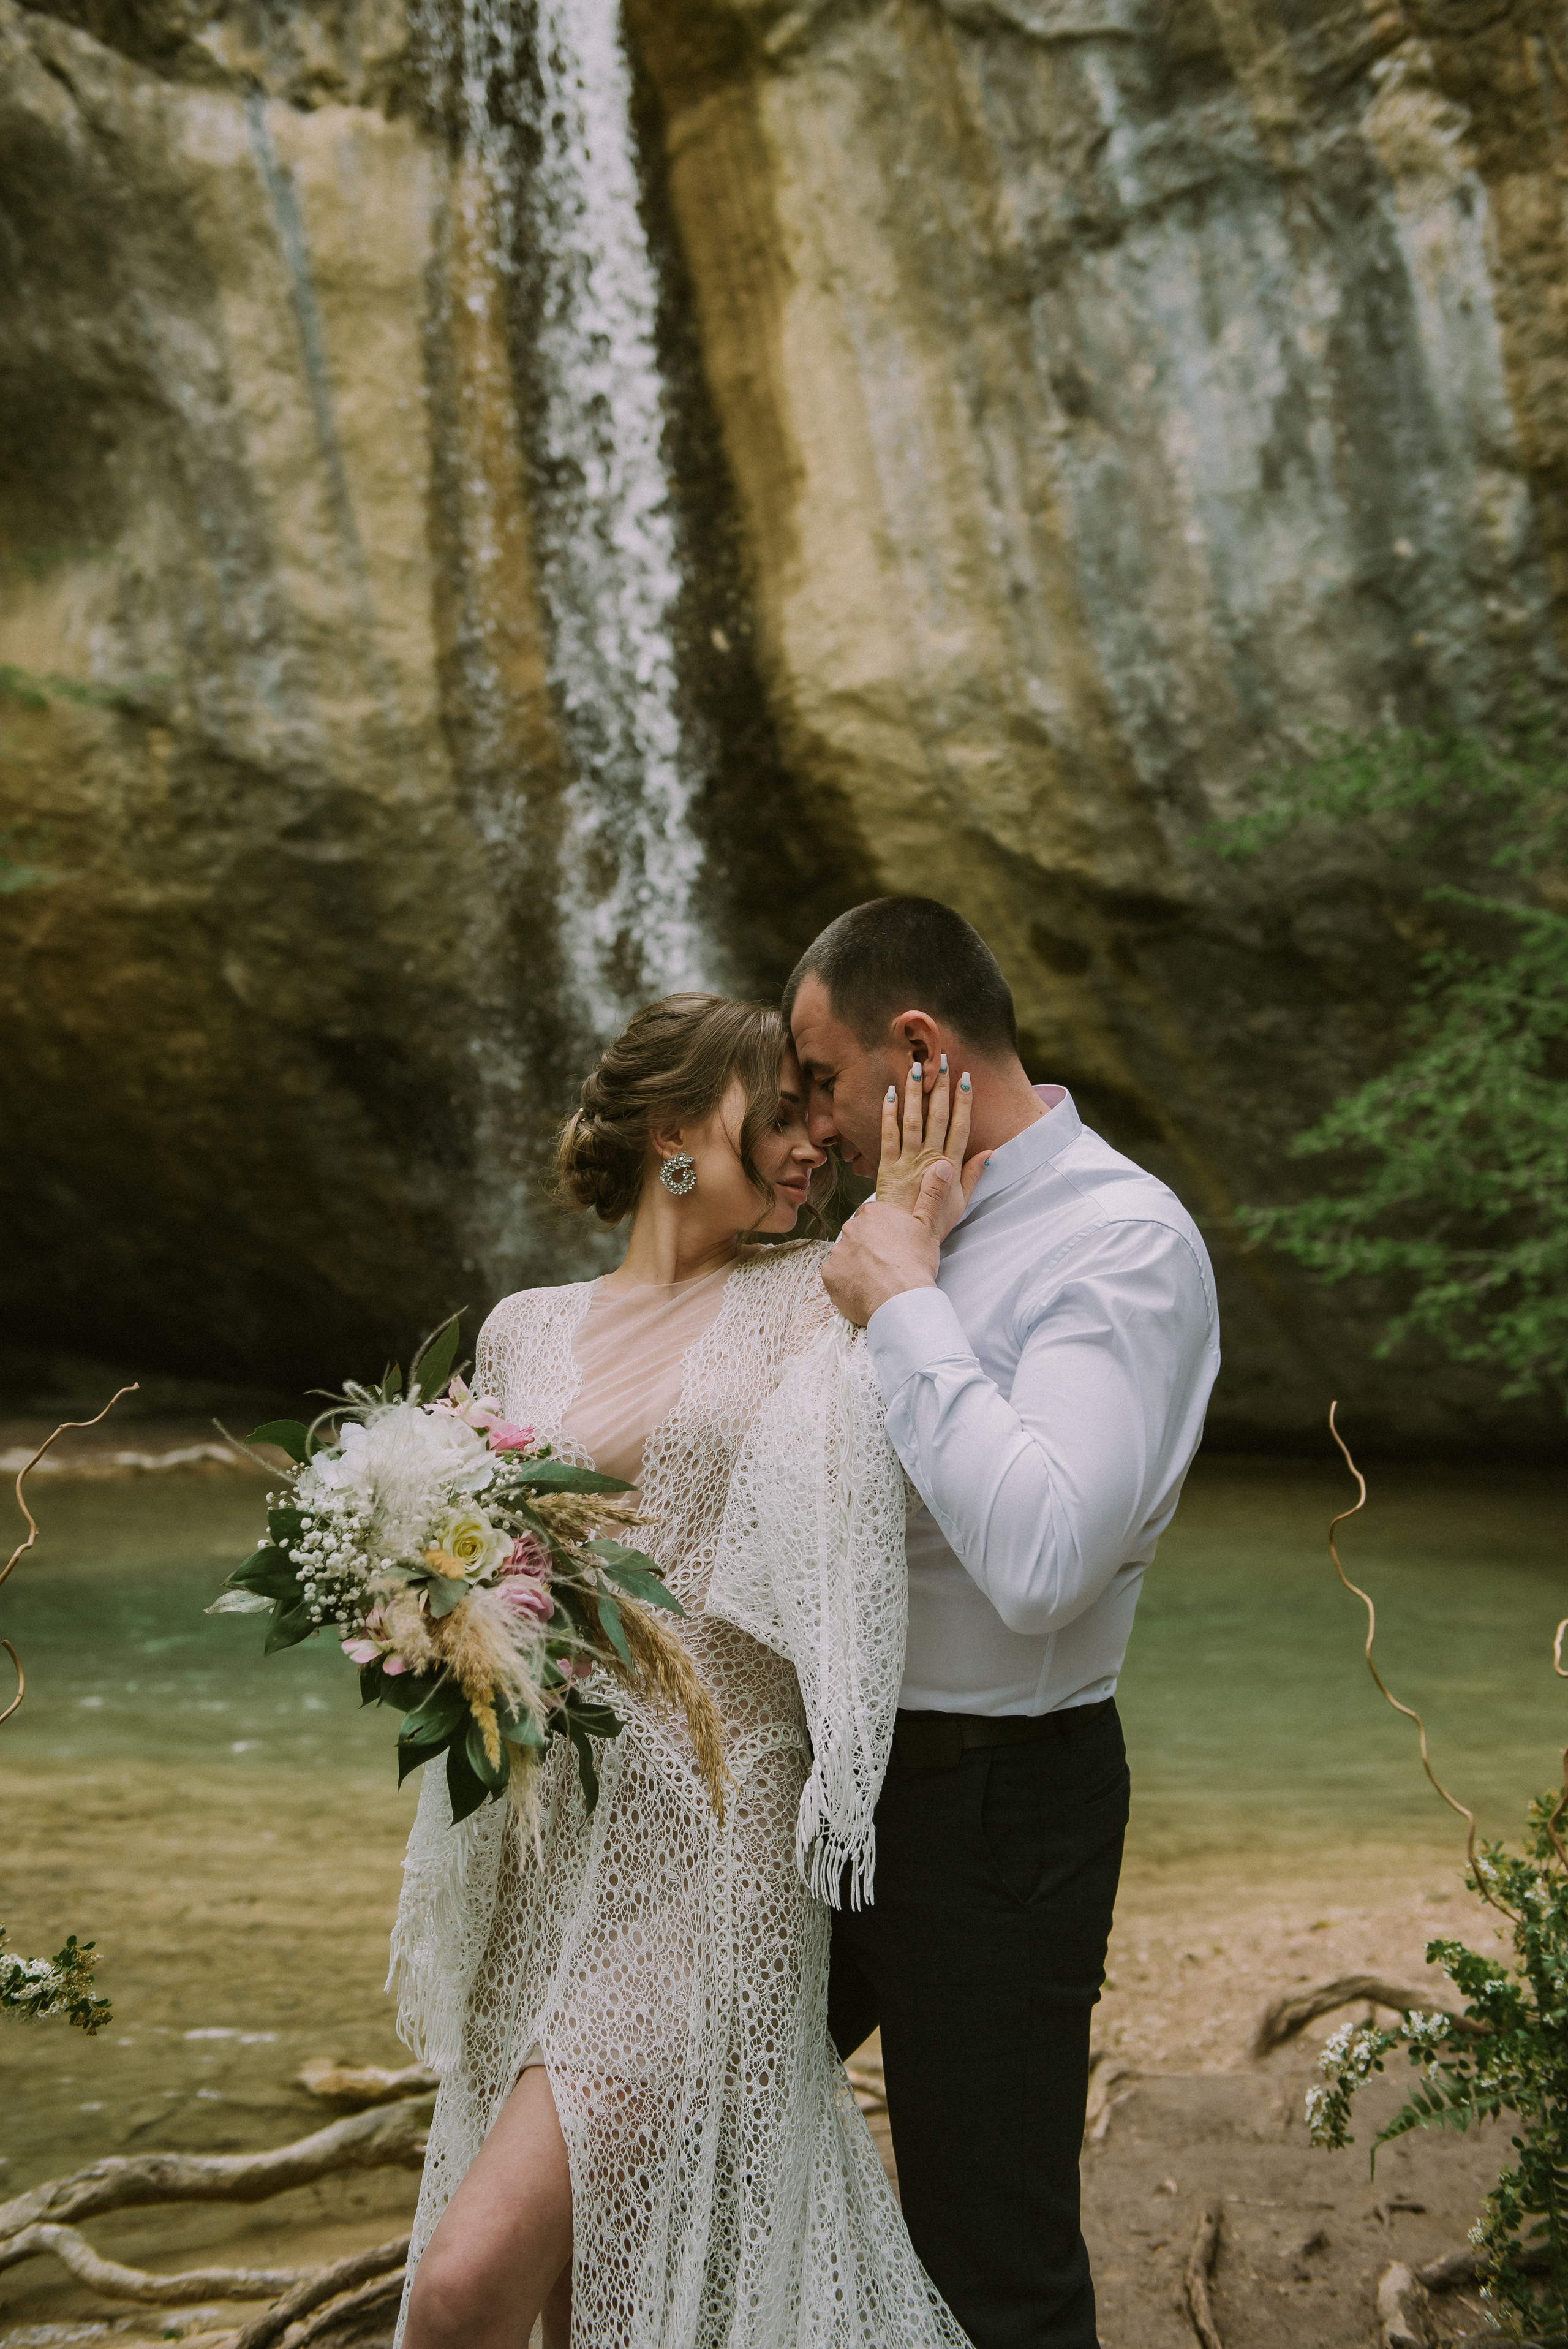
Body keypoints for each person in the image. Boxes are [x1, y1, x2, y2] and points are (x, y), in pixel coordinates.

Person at [392, 993, 969, 2349]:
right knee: (580, 2295)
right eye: (775, 1114)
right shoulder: (521, 1330)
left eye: (810, 1119)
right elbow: (491, 1579)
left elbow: (846, 1510)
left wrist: (900, 1220)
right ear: (670, 1128)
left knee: (464, 2283)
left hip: (712, 1856)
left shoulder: (811, 1299)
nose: (807, 1144)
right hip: (545, 1841)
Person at [786, 896, 1221, 2349]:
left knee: (987, 2244)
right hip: (829, 1780)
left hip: (994, 1800)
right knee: (700, 2105)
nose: (813, 1126)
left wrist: (908, 1302)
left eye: (821, 1081)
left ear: (915, 1047)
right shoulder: (904, 1222)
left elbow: (1041, 1558)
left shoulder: (1121, 1244)